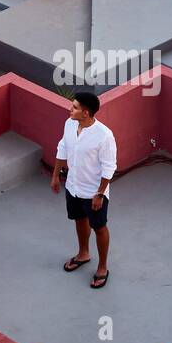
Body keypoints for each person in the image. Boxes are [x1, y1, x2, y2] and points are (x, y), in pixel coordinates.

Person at [50, 90, 117, 289]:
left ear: (86, 113)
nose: (70, 109)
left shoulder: (104, 136)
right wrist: (55, 175)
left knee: (99, 227)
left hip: (94, 193)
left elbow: (109, 167)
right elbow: (62, 148)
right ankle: (83, 254)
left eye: (75, 107)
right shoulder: (69, 124)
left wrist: (99, 194)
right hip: (73, 186)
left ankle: (103, 267)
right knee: (79, 220)